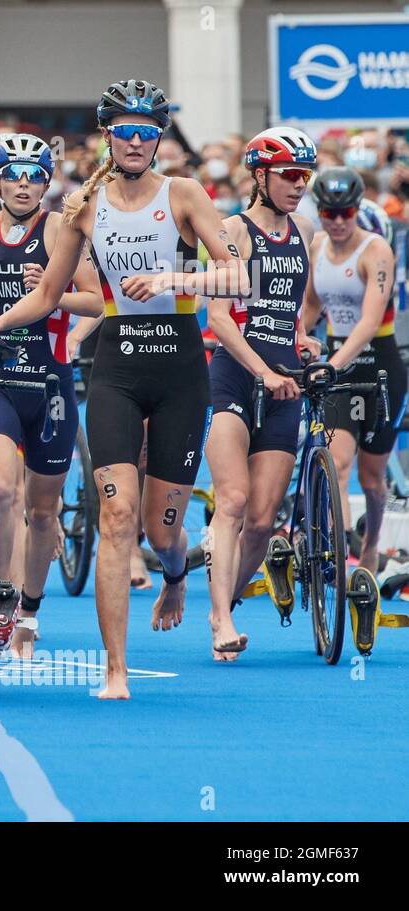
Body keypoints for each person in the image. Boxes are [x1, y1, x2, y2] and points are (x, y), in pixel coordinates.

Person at [0, 80, 247, 699]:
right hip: (115, 365)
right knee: (116, 516)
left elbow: (238, 276)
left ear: (160, 138)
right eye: (126, 130)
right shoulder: (84, 205)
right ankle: (115, 671)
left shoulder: (184, 194)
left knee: (161, 527)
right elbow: (45, 295)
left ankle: (174, 573)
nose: (137, 141)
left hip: (178, 368)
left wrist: (170, 276)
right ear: (108, 136)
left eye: (148, 131)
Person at [0, 134, 103, 657]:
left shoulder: (61, 229)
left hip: (50, 381)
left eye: (34, 175)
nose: (24, 184)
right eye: (13, 174)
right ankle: (1, 595)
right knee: (0, 492)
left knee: (43, 511)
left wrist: (53, 289)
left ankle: (30, 612)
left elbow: (96, 302)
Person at [202, 127, 319, 661]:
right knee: (232, 500)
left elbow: (288, 306)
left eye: (305, 176)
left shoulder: (306, 229)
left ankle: (224, 597)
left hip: (285, 376)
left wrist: (300, 341)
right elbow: (222, 319)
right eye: (290, 175)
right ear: (259, 176)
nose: (299, 185)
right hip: (234, 373)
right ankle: (219, 616)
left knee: (264, 518)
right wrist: (263, 371)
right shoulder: (232, 230)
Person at [301, 168, 404, 627]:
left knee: (373, 475)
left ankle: (370, 549)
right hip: (338, 362)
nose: (337, 222)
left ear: (356, 210)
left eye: (344, 214)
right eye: (328, 214)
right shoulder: (318, 246)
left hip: (377, 362)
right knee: (337, 461)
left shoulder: (375, 249)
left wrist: (334, 362)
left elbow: (368, 320)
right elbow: (309, 308)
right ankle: (340, 554)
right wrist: (293, 338)